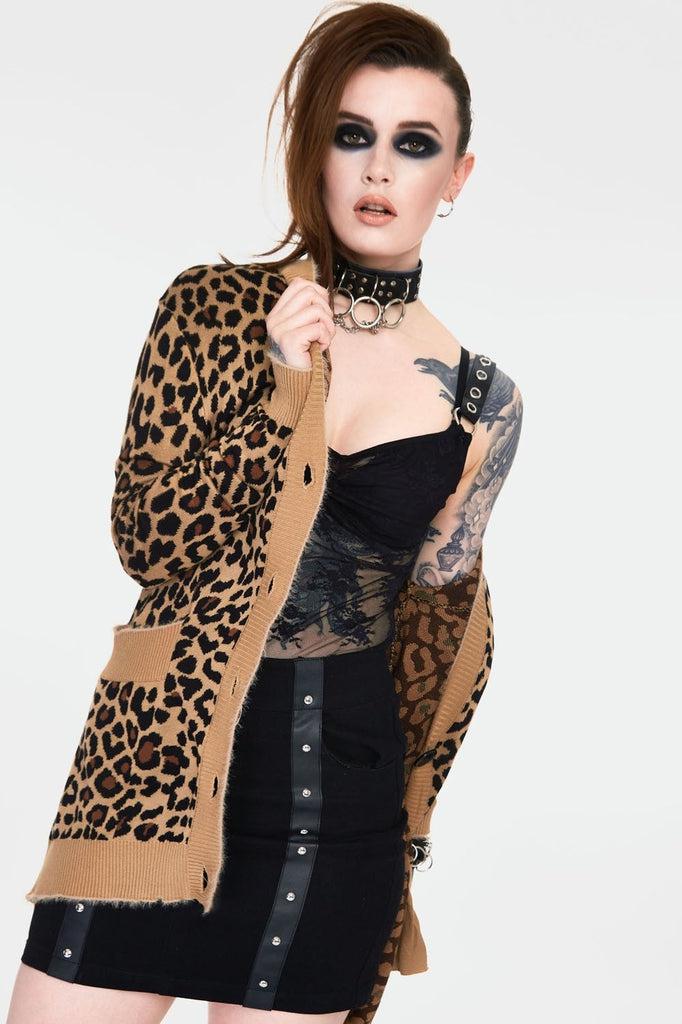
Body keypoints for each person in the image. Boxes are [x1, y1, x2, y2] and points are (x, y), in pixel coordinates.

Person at [8, 3, 523, 1022]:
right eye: (352, 134)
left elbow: (438, 630)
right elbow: (146, 538)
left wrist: (411, 820)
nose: (379, 170)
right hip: (152, 770)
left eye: (414, 144)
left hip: (337, 797)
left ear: (457, 176)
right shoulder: (211, 309)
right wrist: (281, 385)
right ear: (316, 150)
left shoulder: (481, 402)